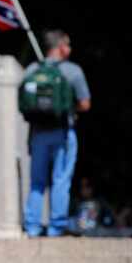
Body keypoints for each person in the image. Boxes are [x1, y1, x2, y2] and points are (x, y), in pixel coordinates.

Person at [22, 30, 91, 237]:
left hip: (38, 133)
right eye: (68, 44)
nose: (69, 49)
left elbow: (25, 102)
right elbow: (85, 104)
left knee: (36, 182)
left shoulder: (33, 69)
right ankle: (55, 227)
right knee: (61, 179)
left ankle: (32, 227)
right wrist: (67, 107)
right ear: (61, 47)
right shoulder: (72, 71)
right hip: (62, 132)